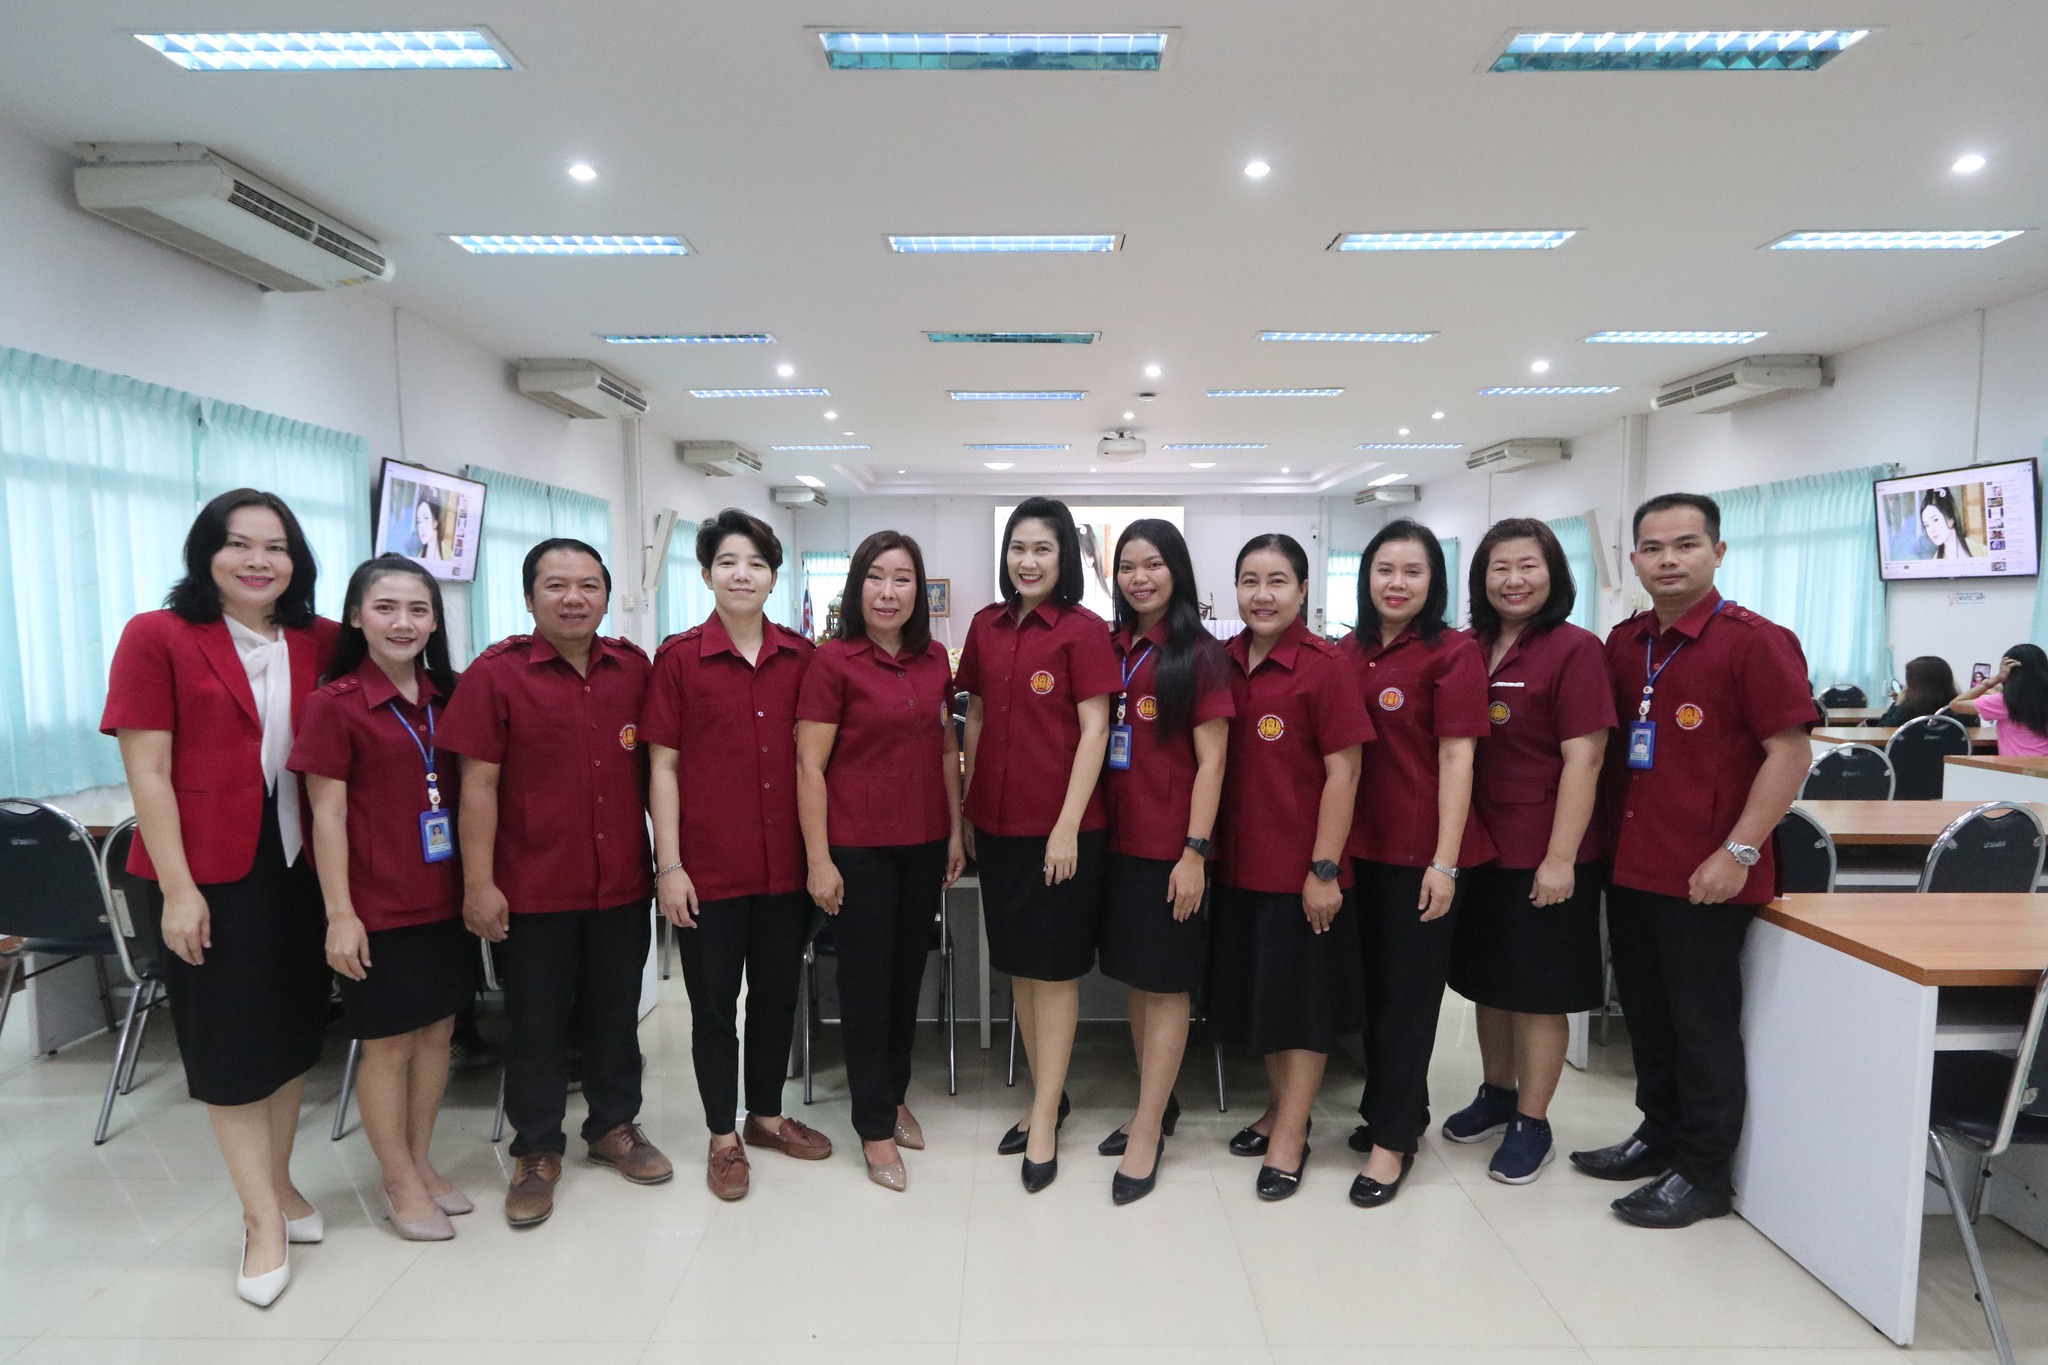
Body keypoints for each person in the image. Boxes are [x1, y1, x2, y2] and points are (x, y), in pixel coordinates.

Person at [101, 489, 339, 1306]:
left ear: (296, 560)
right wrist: (177, 888)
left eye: (276, 546)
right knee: (231, 1047)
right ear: (206, 552)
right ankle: (259, 1219)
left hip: (296, 866)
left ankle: (281, 1183)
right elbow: (148, 771)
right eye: (239, 544)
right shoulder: (158, 636)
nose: (258, 560)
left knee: (291, 1034)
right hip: (201, 872)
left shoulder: (317, 640)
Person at [1570, 493, 1814, 1228]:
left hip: (1707, 876)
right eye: (1652, 548)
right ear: (1634, 559)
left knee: (1702, 1026)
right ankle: (1659, 1134)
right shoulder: (1625, 643)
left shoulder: (1755, 642)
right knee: (1649, 1017)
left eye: (1685, 545)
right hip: (1633, 865)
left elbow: (1789, 753)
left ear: (1718, 552)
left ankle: (1704, 1173)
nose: (1668, 560)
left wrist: (1738, 851)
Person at [438, 537, 671, 1228]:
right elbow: (477, 786)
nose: (574, 598)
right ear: (529, 596)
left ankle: (613, 1126)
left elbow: (659, 772)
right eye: (557, 585)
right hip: (532, 886)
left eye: (589, 585)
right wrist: (478, 884)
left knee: (614, 1014)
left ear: (606, 595)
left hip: (619, 883)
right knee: (535, 1023)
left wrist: (669, 864)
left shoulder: (633, 669)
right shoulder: (496, 675)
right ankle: (537, 1148)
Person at [643, 509, 830, 1203]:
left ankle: (768, 1116)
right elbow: (662, 767)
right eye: (727, 562)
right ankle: (723, 1136)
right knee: (715, 1007)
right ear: (707, 575)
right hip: (709, 874)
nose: (741, 574)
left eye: (755, 563)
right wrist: (669, 866)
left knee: (777, 999)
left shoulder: (802, 658)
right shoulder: (678, 659)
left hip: (786, 871)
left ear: (774, 577)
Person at [290, 555, 473, 1241]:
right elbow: (325, 815)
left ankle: (420, 1162)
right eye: (386, 607)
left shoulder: (448, 697)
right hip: (376, 904)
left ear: (435, 621)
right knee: (389, 1045)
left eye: (419, 609)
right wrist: (340, 914)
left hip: (445, 897)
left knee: (438, 1033)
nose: (404, 622)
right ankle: (396, 1178)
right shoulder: (333, 705)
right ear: (356, 615)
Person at [1442, 520, 1615, 1186]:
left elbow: (1585, 759)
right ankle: (1496, 1093)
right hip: (1479, 849)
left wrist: (1560, 858)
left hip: (1545, 849)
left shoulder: (1575, 650)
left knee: (1539, 994)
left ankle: (1532, 1120)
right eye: (1499, 568)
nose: (1513, 580)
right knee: (1490, 983)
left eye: (1528, 566)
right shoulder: (1469, 646)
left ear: (1553, 574)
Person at [957, 497, 1120, 1192]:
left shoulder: (1084, 631)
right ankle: (1046, 1096)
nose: (1028, 561)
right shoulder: (985, 626)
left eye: (1043, 549)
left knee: (1053, 974)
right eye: (1018, 547)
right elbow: (976, 715)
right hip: (998, 828)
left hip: (1061, 835)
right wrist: (968, 809)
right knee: (1021, 968)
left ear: (1065, 559)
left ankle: (1047, 1115)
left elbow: (1095, 729)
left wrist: (1065, 825)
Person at [796, 530, 965, 1192]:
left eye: (902, 578)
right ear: (856, 586)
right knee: (866, 985)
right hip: (858, 847)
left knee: (905, 978)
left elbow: (945, 749)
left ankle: (892, 1095)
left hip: (921, 842)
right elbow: (810, 765)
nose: (888, 591)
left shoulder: (933, 660)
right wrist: (819, 859)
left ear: (918, 590)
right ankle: (872, 1125)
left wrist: (954, 831)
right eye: (875, 576)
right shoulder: (833, 662)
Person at [1208, 533, 1372, 1202]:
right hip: (1239, 869)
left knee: (1302, 1010)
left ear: (1303, 590)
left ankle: (1292, 1133)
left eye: (1278, 581)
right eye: (1250, 581)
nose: (1263, 595)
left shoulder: (1325, 666)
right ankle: (1279, 1109)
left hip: (1303, 874)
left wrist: (1324, 869)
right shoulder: (1223, 661)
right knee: (1266, 1004)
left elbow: (1345, 772)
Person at [1340, 519, 1494, 1207]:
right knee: (1372, 994)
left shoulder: (1453, 653)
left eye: (1413, 571)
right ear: (1366, 576)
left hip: (1421, 855)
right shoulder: (1347, 651)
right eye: (1385, 569)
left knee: (1408, 999)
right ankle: (1394, 1110)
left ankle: (1392, 1140)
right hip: (1355, 850)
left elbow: (1459, 758)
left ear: (1435, 581)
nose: (1396, 583)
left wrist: (1446, 861)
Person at [1095, 520, 1232, 1205]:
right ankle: (1156, 1104)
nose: (1139, 577)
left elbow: (1213, 761)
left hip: (1170, 851)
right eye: (1127, 566)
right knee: (1138, 979)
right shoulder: (1111, 645)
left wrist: (1194, 852)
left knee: (1168, 985)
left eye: (1152, 564)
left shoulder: (1197, 655)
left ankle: (1148, 1129)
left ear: (1176, 570)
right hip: (1116, 844)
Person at [1950, 643, 2048, 755]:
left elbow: (1955, 704)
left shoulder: (2005, 701)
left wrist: (1993, 680)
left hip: (2014, 765)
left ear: (2008, 671)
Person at [1873, 655, 1975, 727]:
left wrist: (1897, 705)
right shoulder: (1961, 708)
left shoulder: (1909, 709)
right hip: (1952, 752)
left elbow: (1883, 728)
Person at [1919, 487, 1981, 559]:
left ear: (1951, 518)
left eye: (1935, 520)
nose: (1931, 530)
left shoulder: (1979, 550)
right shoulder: (1935, 560)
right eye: (1927, 525)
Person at [413, 494, 448, 564]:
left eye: (426, 518)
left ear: (436, 522)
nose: (421, 527)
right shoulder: (418, 556)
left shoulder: (448, 555)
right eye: (419, 521)